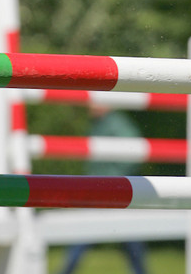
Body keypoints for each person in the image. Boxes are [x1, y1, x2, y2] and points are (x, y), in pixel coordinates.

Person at [56, 105, 148, 274]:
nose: (89, 107)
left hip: (113, 191)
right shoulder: (100, 123)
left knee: (127, 238)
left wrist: (113, 178)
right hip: (101, 189)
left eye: (94, 102)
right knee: (128, 239)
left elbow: (134, 154)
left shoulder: (116, 124)